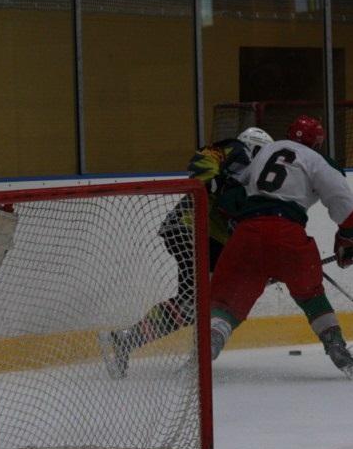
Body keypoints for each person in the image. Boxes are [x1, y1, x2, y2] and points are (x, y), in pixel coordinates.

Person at [98, 127, 273, 379]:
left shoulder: (251, 182)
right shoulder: (238, 151)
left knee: (195, 302)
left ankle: (127, 339)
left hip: (206, 237)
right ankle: (133, 341)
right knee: (198, 300)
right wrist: (213, 181)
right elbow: (204, 159)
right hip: (191, 229)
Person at [207, 115, 353, 377]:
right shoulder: (317, 160)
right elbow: (342, 200)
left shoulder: (266, 150)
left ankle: (213, 339)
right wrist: (352, 236)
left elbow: (235, 189)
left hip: (247, 233)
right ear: (317, 142)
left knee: (227, 302)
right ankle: (335, 343)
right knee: (311, 294)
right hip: (288, 235)